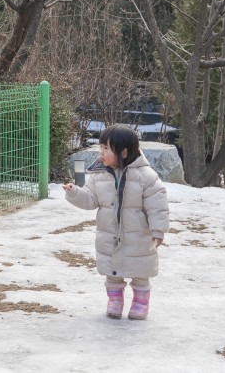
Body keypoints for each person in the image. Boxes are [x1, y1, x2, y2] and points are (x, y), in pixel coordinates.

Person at [64, 124, 169, 320]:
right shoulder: (98, 175)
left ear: (124, 152)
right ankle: (115, 301)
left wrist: (158, 230)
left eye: (106, 148)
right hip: (109, 234)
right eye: (100, 147)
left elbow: (157, 205)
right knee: (112, 271)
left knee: (140, 271)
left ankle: (140, 303)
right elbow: (90, 199)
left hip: (138, 235)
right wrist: (75, 193)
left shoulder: (146, 177)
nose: (101, 153)